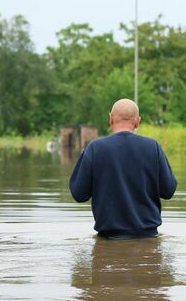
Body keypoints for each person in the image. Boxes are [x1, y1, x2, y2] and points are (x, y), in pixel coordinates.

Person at [69, 99, 177, 239]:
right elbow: (168, 190)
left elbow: (79, 194)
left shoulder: (95, 148)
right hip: (148, 238)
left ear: (111, 119)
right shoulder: (153, 147)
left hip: (108, 240)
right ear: (137, 121)